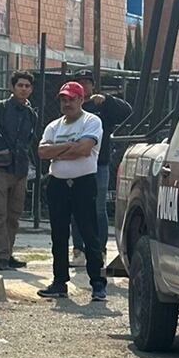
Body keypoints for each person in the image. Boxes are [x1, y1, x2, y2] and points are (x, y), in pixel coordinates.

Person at [37, 81, 108, 301]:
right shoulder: (54, 126)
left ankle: (97, 283)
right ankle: (59, 283)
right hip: (57, 184)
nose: (67, 103)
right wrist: (70, 148)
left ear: (81, 99)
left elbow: (86, 148)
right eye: (63, 99)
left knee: (89, 233)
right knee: (58, 235)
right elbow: (42, 152)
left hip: (83, 183)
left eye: (71, 99)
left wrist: (56, 152)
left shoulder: (91, 121)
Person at [69, 69, 132, 267]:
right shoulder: (71, 105)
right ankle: (78, 250)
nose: (84, 85)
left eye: (88, 82)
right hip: (76, 162)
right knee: (76, 208)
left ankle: (99, 251)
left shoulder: (101, 105)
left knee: (98, 209)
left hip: (99, 164)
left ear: (93, 86)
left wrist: (107, 100)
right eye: (80, 82)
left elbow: (128, 112)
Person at [0, 71, 38, 271]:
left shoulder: (31, 113)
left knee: (14, 215)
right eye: (20, 85)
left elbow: (31, 142)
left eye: (27, 86)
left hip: (20, 169)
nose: (23, 89)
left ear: (31, 90)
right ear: (12, 87)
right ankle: (1, 258)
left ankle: (8, 253)